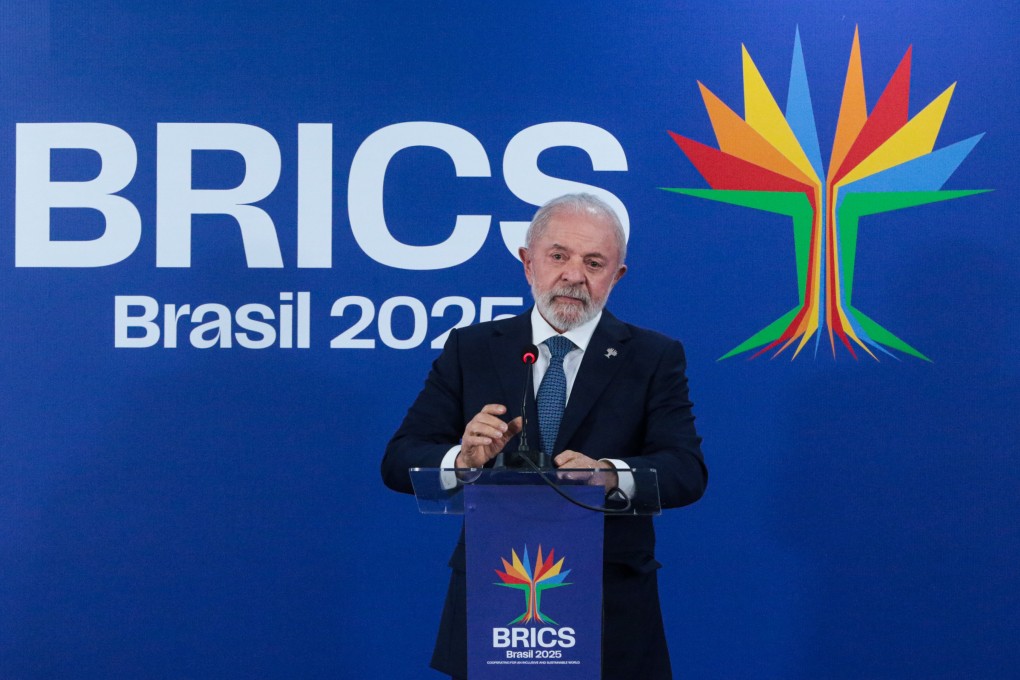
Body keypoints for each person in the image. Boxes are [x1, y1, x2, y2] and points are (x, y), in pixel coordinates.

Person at [382, 193, 707, 679]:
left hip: (608, 606)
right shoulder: (471, 348)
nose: (575, 275)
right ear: (528, 262)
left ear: (615, 277)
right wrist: (463, 460)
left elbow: (686, 470)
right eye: (559, 256)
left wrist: (610, 475)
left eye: (594, 262)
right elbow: (399, 459)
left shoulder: (653, 357)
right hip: (496, 601)